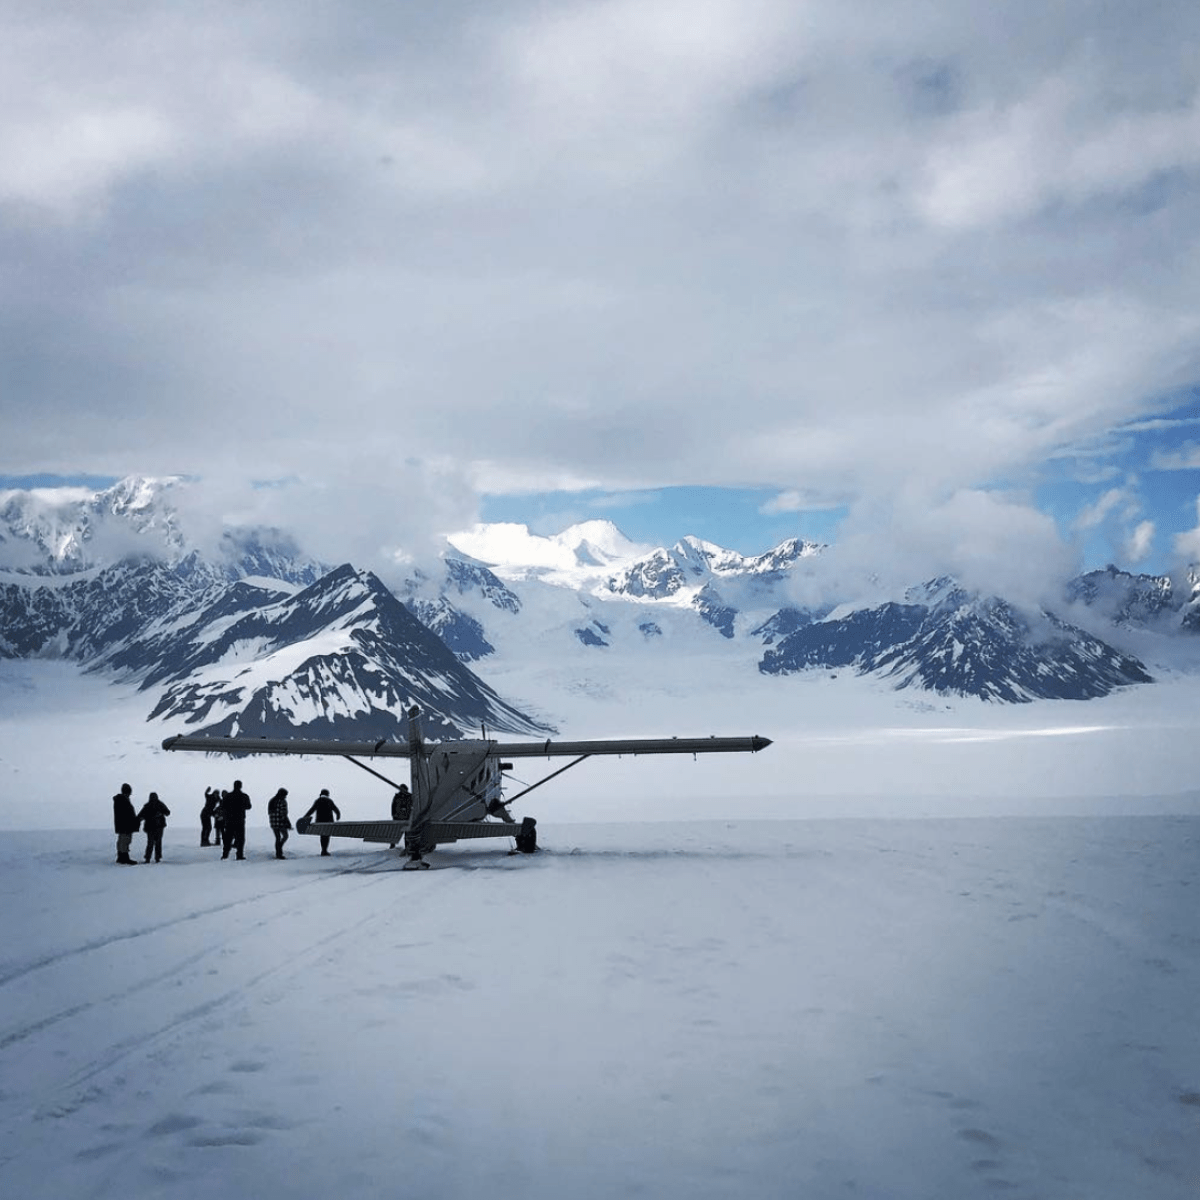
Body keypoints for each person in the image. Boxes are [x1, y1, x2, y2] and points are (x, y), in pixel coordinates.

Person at [301, 788, 341, 856]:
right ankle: (324, 850)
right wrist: (338, 816)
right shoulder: (329, 801)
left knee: (322, 835)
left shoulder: (318, 800)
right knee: (327, 836)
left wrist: (305, 817)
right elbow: (336, 809)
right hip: (329, 822)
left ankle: (323, 850)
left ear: (321, 794)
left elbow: (312, 810)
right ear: (327, 794)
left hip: (320, 822)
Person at [220, 780, 252, 860]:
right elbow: (249, 806)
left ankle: (225, 855)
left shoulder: (228, 796)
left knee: (228, 838)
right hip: (240, 820)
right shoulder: (244, 796)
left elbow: (223, 806)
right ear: (241, 786)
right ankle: (239, 855)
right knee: (240, 838)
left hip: (229, 820)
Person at [137, 791, 171, 863]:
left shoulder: (148, 805)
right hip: (156, 827)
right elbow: (168, 812)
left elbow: (140, 816)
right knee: (156, 843)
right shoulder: (159, 804)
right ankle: (155, 858)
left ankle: (149, 858)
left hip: (154, 827)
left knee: (151, 843)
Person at [112, 782, 140, 865]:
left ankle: (121, 857)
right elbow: (127, 814)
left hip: (122, 824)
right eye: (129, 792)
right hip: (125, 825)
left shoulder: (120, 800)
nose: (130, 794)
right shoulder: (123, 800)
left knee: (122, 840)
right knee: (125, 840)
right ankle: (124, 858)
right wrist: (134, 820)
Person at [267, 787, 291, 859]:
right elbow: (284, 813)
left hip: (273, 823)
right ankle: (279, 850)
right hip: (281, 822)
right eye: (285, 795)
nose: (285, 797)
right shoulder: (282, 801)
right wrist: (288, 823)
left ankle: (278, 852)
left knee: (277, 838)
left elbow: (269, 812)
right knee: (285, 836)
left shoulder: (272, 800)